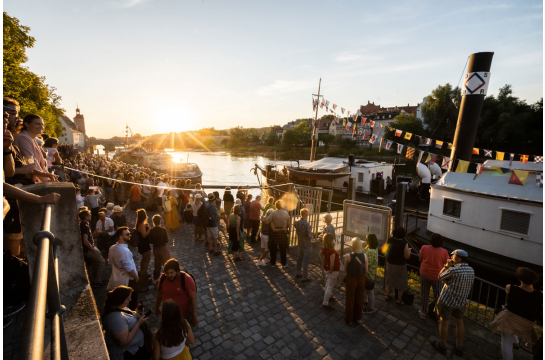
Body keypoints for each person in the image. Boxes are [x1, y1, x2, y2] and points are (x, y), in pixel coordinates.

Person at [490, 267, 542, 360]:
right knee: (513, 330)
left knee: (506, 342)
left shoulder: (510, 287)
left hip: (509, 319)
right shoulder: (540, 294)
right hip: (526, 323)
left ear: (520, 279)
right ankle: (516, 343)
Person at [431, 249, 475, 356]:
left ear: (459, 259)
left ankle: (442, 346)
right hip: (461, 301)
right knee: (459, 323)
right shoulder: (471, 270)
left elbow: (440, 276)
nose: (451, 258)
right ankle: (459, 346)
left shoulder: (454, 270)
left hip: (447, 300)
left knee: (444, 322)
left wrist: (446, 265)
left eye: (453, 257)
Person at [102, 286, 150, 360]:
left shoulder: (120, 307)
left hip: (135, 349)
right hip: (129, 354)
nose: (130, 299)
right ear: (120, 300)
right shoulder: (116, 319)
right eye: (128, 298)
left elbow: (127, 318)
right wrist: (139, 324)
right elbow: (124, 342)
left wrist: (136, 314)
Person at [155, 259, 198, 326]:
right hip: (167, 315)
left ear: (178, 271)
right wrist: (157, 307)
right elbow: (160, 294)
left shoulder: (187, 279)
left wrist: (194, 316)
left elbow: (193, 298)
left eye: (171, 272)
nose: (169, 275)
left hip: (184, 315)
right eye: (167, 273)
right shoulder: (163, 277)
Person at [13, 114, 55, 183]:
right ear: (27, 124)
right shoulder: (23, 138)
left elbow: (41, 165)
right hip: (24, 181)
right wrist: (47, 181)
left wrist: (50, 178)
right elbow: (31, 162)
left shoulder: (32, 138)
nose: (41, 127)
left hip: (32, 179)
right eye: (37, 124)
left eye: (42, 124)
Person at [418, 233, 450, 320]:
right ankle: (437, 315)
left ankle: (423, 312)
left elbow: (420, 259)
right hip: (437, 277)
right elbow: (447, 264)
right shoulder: (444, 252)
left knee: (424, 293)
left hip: (424, 273)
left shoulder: (424, 247)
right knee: (438, 296)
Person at [108, 227, 140, 295]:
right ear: (121, 237)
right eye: (127, 234)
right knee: (132, 299)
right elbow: (129, 270)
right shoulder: (124, 251)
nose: (130, 235)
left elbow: (110, 263)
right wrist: (136, 277)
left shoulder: (112, 248)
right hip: (129, 279)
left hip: (118, 278)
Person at [79, 210, 106, 288]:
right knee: (101, 262)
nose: (90, 215)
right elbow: (85, 241)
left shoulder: (84, 224)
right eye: (89, 215)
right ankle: (97, 281)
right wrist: (93, 249)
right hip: (89, 249)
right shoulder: (84, 226)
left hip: (89, 248)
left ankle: (97, 279)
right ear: (86, 217)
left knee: (95, 263)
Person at [385, 226, 411, 305]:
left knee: (389, 279)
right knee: (400, 281)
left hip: (390, 263)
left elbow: (386, 250)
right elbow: (406, 256)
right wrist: (409, 251)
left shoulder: (389, 240)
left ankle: (388, 295)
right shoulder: (404, 244)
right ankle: (399, 299)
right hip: (400, 265)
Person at [344, 238, 367, 325]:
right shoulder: (364, 256)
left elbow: (346, 268)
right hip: (361, 278)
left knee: (350, 298)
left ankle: (349, 318)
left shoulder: (347, 256)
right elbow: (366, 270)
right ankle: (358, 318)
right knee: (359, 298)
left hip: (351, 278)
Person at [266, 200, 290, 267]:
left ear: (276, 206)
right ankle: (284, 263)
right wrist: (286, 228)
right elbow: (289, 224)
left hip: (275, 231)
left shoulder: (273, 213)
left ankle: (273, 263)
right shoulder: (286, 213)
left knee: (273, 248)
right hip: (283, 231)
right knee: (283, 248)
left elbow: (268, 221)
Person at [148, 215, 171, 283]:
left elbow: (150, 241)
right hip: (163, 248)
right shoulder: (163, 230)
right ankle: (168, 275)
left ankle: (155, 278)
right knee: (166, 262)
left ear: (153, 222)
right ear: (160, 221)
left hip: (155, 248)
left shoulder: (151, 230)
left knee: (157, 263)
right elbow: (166, 241)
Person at [320, 233, 340, 310]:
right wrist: (331, 270)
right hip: (332, 270)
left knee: (328, 283)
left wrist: (324, 262)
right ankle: (325, 302)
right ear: (331, 240)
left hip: (326, 269)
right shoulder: (332, 250)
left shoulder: (324, 248)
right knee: (330, 286)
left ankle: (327, 296)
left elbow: (320, 254)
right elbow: (332, 264)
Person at [294, 208, 312, 282]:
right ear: (305, 215)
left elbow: (296, 227)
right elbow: (310, 236)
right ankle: (305, 277)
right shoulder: (307, 224)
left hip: (300, 243)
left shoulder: (296, 222)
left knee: (299, 258)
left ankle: (298, 273)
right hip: (307, 244)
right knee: (306, 262)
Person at [362, 233, 379, 314]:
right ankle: (368, 303)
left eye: (367, 240)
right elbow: (363, 252)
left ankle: (370, 308)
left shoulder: (372, 252)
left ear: (370, 241)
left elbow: (366, 262)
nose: (365, 241)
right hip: (369, 273)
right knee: (367, 290)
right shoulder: (372, 248)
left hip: (369, 274)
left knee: (370, 291)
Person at [136, 209, 152, 285]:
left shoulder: (138, 223)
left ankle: (142, 272)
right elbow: (144, 235)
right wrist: (149, 229)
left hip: (141, 244)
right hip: (144, 245)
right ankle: (143, 275)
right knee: (147, 259)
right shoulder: (142, 224)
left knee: (144, 259)